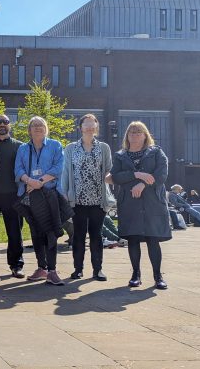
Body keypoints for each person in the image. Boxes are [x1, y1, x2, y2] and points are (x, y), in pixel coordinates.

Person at [110, 121, 171, 289]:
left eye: (139, 132)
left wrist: (143, 184)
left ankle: (158, 276)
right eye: (132, 132)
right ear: (127, 136)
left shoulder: (156, 152)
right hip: (129, 203)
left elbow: (161, 174)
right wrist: (136, 174)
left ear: (145, 135)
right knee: (133, 239)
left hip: (152, 203)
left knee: (153, 239)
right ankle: (135, 275)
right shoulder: (120, 155)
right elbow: (115, 177)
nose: (135, 135)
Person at [14, 116, 67, 286]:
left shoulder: (55, 145)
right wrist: (30, 181)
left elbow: (59, 167)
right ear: (29, 130)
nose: (37, 128)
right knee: (36, 232)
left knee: (51, 233)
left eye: (41, 125)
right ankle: (41, 268)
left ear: (46, 129)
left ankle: (52, 271)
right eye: (34, 125)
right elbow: (18, 169)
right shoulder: (23, 148)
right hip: (30, 196)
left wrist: (40, 181)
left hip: (49, 195)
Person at [61, 114, 113, 282]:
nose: (90, 127)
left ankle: (98, 270)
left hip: (98, 200)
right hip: (78, 200)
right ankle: (78, 269)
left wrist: (111, 178)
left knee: (96, 235)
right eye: (86, 125)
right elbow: (66, 173)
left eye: (93, 124)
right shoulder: (71, 148)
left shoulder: (104, 148)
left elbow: (109, 170)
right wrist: (65, 194)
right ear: (80, 127)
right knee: (79, 235)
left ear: (96, 127)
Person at [0, 114, 25, 278]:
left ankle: (16, 265)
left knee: (15, 232)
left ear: (10, 125)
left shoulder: (20, 146)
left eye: (5, 122)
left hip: (13, 196)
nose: (2, 124)